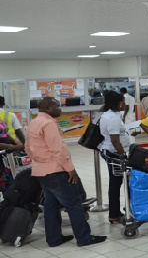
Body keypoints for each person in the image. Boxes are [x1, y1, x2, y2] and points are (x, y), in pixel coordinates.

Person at [24, 97, 106, 247]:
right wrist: (70, 170)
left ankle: (54, 239)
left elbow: (27, 147)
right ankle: (84, 238)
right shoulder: (48, 124)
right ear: (48, 108)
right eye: (57, 106)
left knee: (51, 205)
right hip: (55, 171)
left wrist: (39, 161)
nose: (60, 109)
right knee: (74, 203)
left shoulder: (34, 122)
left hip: (41, 171)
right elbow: (57, 150)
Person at [98, 91, 130, 224]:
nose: (125, 103)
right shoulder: (112, 117)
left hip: (110, 152)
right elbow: (115, 140)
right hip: (114, 154)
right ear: (118, 103)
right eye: (123, 101)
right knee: (116, 183)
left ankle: (115, 212)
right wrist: (123, 155)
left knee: (115, 182)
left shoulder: (109, 115)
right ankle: (114, 214)